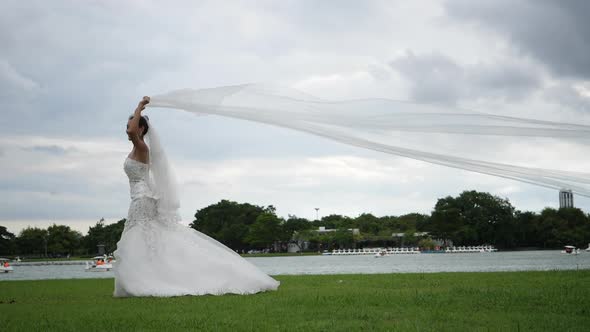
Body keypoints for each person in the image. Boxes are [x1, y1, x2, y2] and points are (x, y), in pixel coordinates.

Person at [113, 97, 279, 297]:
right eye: (126, 125)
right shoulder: (136, 148)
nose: (127, 129)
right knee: (147, 239)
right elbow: (131, 131)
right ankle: (151, 276)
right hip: (139, 198)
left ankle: (148, 279)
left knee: (139, 237)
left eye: (131, 125)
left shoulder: (142, 147)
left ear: (141, 129)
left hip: (142, 199)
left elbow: (132, 131)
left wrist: (139, 107)